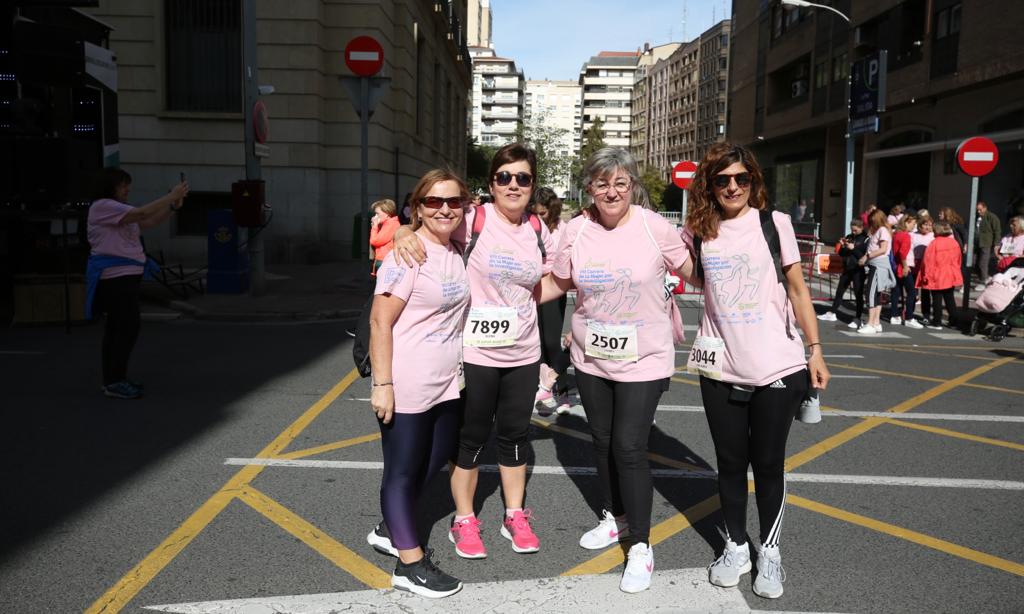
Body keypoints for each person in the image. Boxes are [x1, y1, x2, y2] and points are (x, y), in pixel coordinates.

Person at [536, 147, 693, 593]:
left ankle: (641, 546)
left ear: (633, 187)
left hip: (645, 356)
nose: (612, 191)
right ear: (589, 187)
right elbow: (560, 283)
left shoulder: (652, 225)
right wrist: (502, 298)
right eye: (602, 183)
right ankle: (615, 517)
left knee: (628, 446)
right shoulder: (576, 229)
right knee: (602, 442)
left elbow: (693, 270)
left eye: (621, 183)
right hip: (591, 356)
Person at [680, 143, 829, 600]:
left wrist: (816, 350)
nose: (732, 187)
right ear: (709, 185)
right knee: (728, 463)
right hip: (720, 364)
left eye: (741, 179)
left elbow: (800, 291)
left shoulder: (773, 224)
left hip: (777, 364)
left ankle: (770, 550)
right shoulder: (698, 231)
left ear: (753, 182)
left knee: (767, 462)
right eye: (722, 179)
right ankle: (736, 547)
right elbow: (684, 274)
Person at [391, 143, 554, 560]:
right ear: (491, 183)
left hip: (523, 351)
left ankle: (514, 514)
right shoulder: (472, 218)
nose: (513, 185)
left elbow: (545, 285)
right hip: (476, 352)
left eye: (522, 178)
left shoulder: (538, 229)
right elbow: (428, 222)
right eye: (504, 177)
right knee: (472, 438)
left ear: (532, 185)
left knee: (516, 435)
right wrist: (402, 231)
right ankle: (463, 519)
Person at [365, 169, 471, 598]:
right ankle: (408, 566)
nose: (444, 209)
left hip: (446, 381)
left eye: (453, 201)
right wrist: (383, 383)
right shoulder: (405, 255)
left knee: (437, 457)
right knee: (403, 472)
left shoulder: (456, 247)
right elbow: (379, 321)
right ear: (417, 207)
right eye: (433, 202)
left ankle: (390, 527)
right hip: (407, 380)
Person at [86, 168, 188, 399]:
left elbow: (148, 221)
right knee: (126, 327)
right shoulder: (102, 206)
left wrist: (172, 208)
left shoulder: (118, 212)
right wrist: (171, 197)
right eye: (123, 185)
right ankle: (114, 380)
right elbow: (143, 213)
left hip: (124, 277)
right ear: (110, 186)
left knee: (119, 328)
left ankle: (114, 379)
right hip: (115, 278)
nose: (127, 189)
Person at [532, 186, 571, 415]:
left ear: (552, 210)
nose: (539, 218)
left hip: (554, 290)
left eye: (543, 213)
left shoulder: (563, 230)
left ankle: (562, 390)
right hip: (532, 289)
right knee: (535, 341)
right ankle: (543, 387)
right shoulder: (528, 226)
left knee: (551, 341)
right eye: (535, 213)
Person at [817, 218, 868, 328]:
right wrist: (842, 246)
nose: (853, 232)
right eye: (852, 230)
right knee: (840, 291)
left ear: (861, 228)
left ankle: (858, 318)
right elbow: (842, 253)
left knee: (858, 294)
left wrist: (853, 248)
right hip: (847, 268)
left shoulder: (865, 239)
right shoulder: (849, 237)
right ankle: (832, 312)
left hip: (858, 270)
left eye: (855, 230)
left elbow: (862, 256)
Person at [916, 221, 962, 330]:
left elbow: (928, 262)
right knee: (950, 298)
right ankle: (954, 321)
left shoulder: (934, 243)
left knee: (937, 298)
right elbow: (958, 259)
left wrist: (925, 275)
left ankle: (937, 322)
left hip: (937, 274)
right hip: (950, 273)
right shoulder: (954, 242)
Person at [857, 209, 895, 335]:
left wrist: (866, 256)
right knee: (877, 294)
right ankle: (876, 322)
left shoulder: (882, 230)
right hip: (876, 264)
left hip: (878, 265)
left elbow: (883, 249)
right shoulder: (879, 231)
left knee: (871, 294)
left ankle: (871, 323)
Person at [889, 215, 921, 328]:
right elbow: (903, 253)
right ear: (906, 223)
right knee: (912, 292)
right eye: (912, 223)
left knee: (896, 291)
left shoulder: (896, 234)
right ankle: (909, 317)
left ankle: (894, 315)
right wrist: (905, 266)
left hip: (896, 265)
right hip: (904, 266)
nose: (914, 226)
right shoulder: (905, 236)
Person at [911, 215, 936, 324]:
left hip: (928, 265)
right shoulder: (913, 235)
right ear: (920, 225)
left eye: (930, 225)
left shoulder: (933, 236)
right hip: (915, 263)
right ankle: (909, 313)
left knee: (926, 291)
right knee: (912, 290)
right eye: (926, 224)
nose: (928, 227)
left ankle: (926, 315)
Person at [369, 199, 401, 276]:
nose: (375, 216)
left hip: (385, 260)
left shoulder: (391, 225)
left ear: (387, 214)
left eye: (377, 213)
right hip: (384, 260)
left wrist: (374, 226)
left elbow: (375, 241)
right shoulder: (389, 224)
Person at [974, 201, 1001, 289]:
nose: (979, 212)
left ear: (985, 208)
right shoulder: (976, 217)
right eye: (977, 210)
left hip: (986, 243)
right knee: (975, 262)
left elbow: (997, 231)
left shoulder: (991, 217)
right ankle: (985, 277)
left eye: (980, 210)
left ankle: (983, 281)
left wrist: (997, 243)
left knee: (983, 263)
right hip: (977, 243)